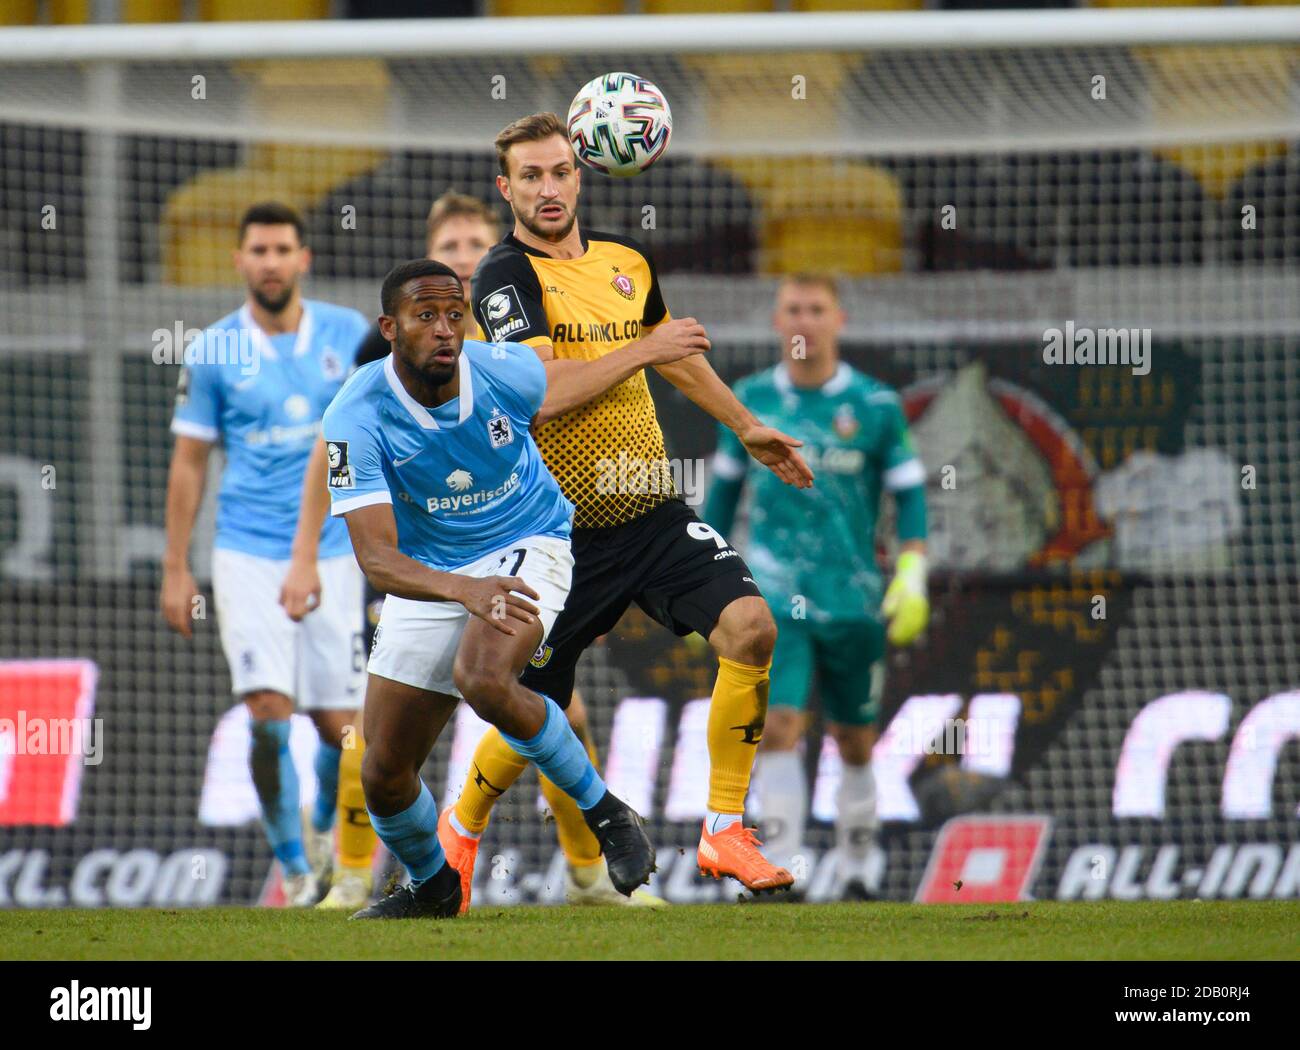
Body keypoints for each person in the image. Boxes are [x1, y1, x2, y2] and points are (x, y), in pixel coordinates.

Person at [436, 112, 815, 901]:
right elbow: (540, 398)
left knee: (751, 626)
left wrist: (746, 427)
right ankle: (461, 828)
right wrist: (645, 347)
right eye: (530, 176)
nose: (548, 188)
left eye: (560, 171)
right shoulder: (504, 277)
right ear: (506, 189)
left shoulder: (626, 263)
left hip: (649, 509)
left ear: (583, 174)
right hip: (559, 531)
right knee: (533, 703)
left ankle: (722, 831)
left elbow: (674, 359)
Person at [285, 192, 651, 907]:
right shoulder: (355, 414)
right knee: (384, 770)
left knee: (485, 678)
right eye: (426, 317)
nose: (446, 330)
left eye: (456, 314)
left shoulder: (505, 370)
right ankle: (433, 884)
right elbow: (377, 561)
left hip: (530, 542)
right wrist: (461, 589)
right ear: (390, 329)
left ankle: (608, 816)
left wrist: (650, 345)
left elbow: (583, 395)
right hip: (433, 574)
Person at [160, 201, 370, 906]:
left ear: (304, 258)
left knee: (340, 728)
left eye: (283, 249)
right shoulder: (212, 349)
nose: (271, 261)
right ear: (239, 260)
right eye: (258, 250)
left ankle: (317, 831)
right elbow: (190, 462)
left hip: (338, 550)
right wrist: (175, 566)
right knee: (268, 716)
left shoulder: (350, 333)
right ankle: (297, 869)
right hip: (247, 551)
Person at [703, 274, 930, 899]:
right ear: (777, 322)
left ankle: (860, 867)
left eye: (816, 309)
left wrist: (913, 572)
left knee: (854, 739)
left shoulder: (877, 406)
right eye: (793, 309)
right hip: (773, 597)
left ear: (839, 320)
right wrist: (704, 585)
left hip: (854, 597)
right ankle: (781, 866)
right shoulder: (746, 403)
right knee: (776, 725)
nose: (804, 321)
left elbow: (911, 498)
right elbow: (719, 502)